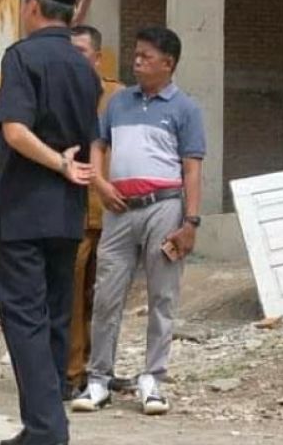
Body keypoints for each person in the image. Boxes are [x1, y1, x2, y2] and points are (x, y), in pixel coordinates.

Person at [0, 0, 101, 445]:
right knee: (55, 319)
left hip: (21, 213)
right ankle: (45, 424)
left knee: (26, 323)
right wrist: (72, 171)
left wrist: (56, 163)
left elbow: (14, 129)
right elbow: (91, 137)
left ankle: (47, 431)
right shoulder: (84, 68)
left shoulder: (22, 57)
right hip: (66, 214)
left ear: (32, 5)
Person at [72, 26, 205, 417]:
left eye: (147, 56)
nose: (138, 60)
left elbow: (192, 170)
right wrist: (99, 183)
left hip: (164, 208)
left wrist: (191, 222)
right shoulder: (117, 103)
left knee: (162, 296)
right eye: (137, 53)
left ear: (169, 64)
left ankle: (153, 379)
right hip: (118, 208)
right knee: (106, 294)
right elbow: (98, 146)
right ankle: (98, 380)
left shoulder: (185, 109)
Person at [64, 25, 125, 399]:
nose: (76, 58)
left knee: (106, 296)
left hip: (113, 212)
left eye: (83, 51)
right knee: (70, 294)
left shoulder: (119, 98)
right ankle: (73, 372)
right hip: (70, 212)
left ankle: (102, 368)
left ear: (98, 57)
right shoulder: (59, 93)